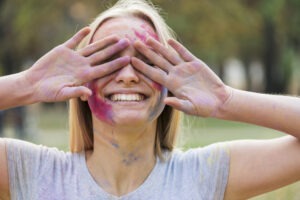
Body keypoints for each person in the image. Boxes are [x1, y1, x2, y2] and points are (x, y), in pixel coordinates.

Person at [0, 0, 300, 199]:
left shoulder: (204, 175)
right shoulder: (31, 171)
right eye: (111, 60)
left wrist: (226, 100)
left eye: (146, 60)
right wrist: (26, 85)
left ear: (170, 81)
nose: (128, 75)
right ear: (80, 82)